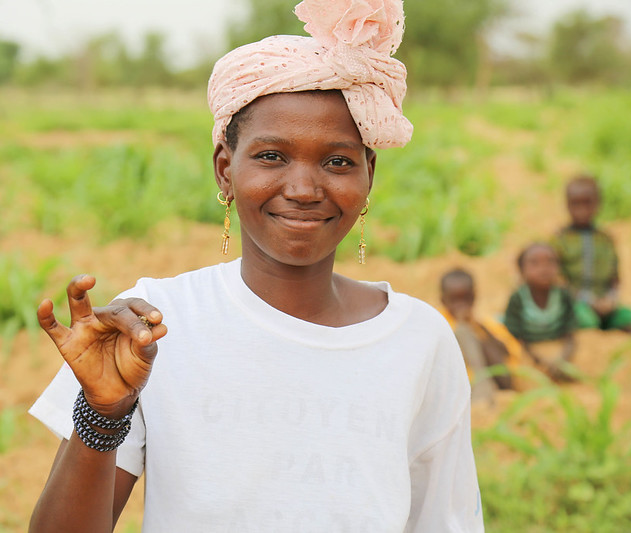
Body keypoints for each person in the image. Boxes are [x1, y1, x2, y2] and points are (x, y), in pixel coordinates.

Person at [28, 1, 484, 531]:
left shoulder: (419, 340)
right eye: (272, 157)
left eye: (337, 161)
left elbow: (444, 520)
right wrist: (102, 414)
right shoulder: (154, 327)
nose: (303, 189)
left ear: (369, 174)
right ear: (225, 170)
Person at [551, 175, 631, 333]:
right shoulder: (559, 240)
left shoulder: (606, 240)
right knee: (586, 321)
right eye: (576, 204)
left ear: (598, 204)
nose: (582, 210)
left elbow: (615, 277)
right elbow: (557, 280)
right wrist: (587, 301)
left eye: (588, 203)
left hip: (605, 304)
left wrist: (610, 300)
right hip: (576, 304)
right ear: (567, 205)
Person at [439, 268, 521, 403]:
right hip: (456, 389)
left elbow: (509, 355)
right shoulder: (438, 325)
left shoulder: (487, 324)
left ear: (474, 297)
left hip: (497, 382)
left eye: (466, 298)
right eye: (454, 300)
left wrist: (478, 328)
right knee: (462, 333)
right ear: (443, 300)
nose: (461, 305)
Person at [503, 243, 576, 382]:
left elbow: (570, 333)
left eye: (550, 262)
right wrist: (537, 360)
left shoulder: (563, 296)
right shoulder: (518, 298)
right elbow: (515, 336)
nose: (544, 268)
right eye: (534, 263)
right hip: (530, 351)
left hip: (556, 347)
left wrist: (563, 360)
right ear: (521, 270)